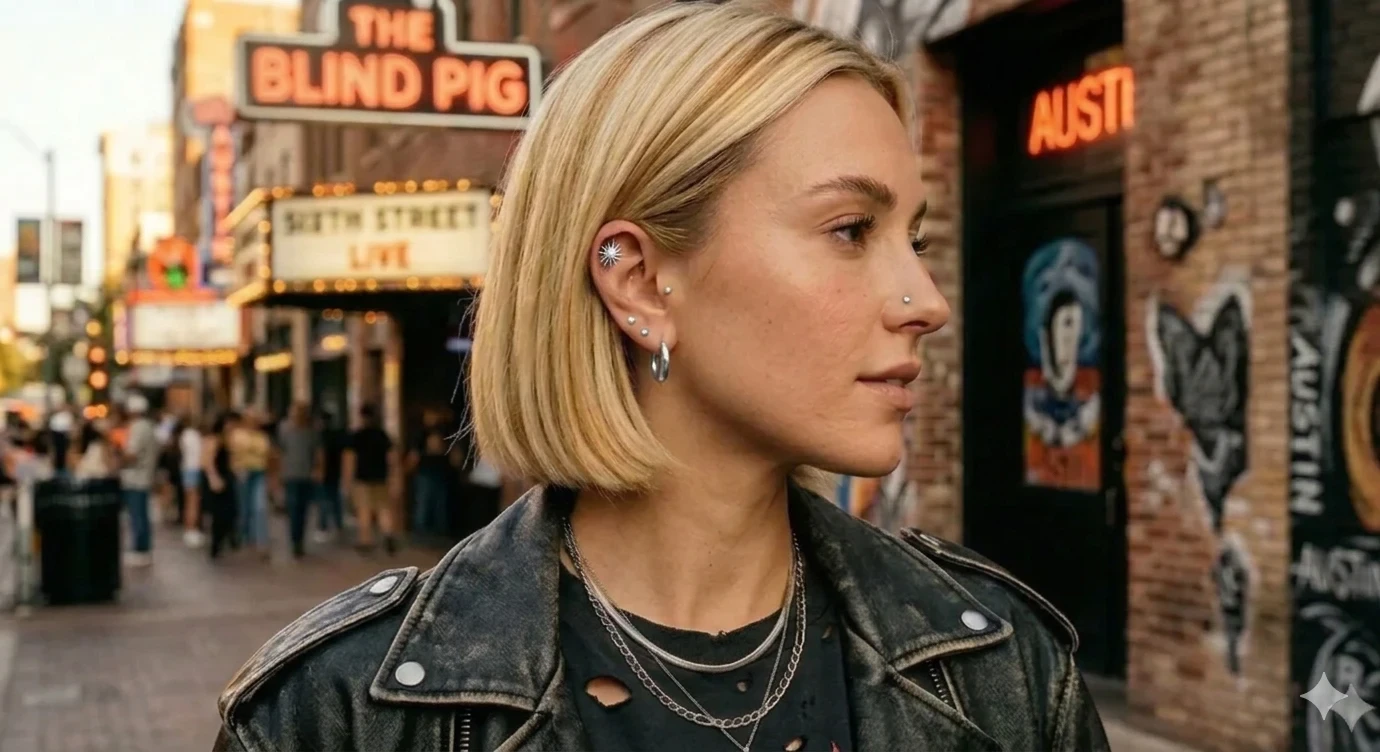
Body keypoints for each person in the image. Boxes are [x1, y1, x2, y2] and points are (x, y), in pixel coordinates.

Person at [214, 5, 1108, 751]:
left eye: (913, 240)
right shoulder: (340, 714)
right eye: (850, 231)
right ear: (639, 281)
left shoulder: (1000, 666)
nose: (926, 302)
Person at [340, 404, 397, 554]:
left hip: (362, 479)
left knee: (363, 510)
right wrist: (393, 476)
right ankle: (388, 535)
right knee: (383, 508)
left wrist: (347, 481)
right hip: (381, 477)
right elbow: (391, 457)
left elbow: (350, 459)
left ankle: (365, 541)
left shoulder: (356, 436)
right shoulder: (382, 435)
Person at [120, 395, 160, 567]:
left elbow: (132, 453)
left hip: (135, 478)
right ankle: (143, 548)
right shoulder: (149, 426)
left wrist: (118, 459)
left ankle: (140, 549)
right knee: (141, 514)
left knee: (137, 515)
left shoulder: (138, 428)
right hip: (144, 477)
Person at [277, 403, 321, 558]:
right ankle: (295, 541)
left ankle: (299, 539)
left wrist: (317, 469)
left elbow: (318, 451)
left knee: (303, 508)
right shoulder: (284, 429)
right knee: (294, 507)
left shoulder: (311, 430)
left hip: (306, 475)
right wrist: (278, 472)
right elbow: (279, 451)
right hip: (290, 475)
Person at [229, 408, 273, 559]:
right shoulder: (237, 435)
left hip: (259, 473)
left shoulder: (262, 436)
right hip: (243, 473)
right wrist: (236, 469)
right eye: (251, 418)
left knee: (260, 507)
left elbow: (268, 455)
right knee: (244, 508)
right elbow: (232, 454)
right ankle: (244, 537)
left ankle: (262, 543)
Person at [406, 408, 451, 537]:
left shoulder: (444, 432)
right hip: (426, 473)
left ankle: (435, 532)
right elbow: (414, 455)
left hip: (438, 472)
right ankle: (424, 532)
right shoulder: (421, 434)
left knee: (437, 504)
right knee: (426, 503)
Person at [202, 414, 237, 559]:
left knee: (230, 511)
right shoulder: (214, 440)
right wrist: (213, 478)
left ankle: (225, 540)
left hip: (227, 478)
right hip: (218, 478)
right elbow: (208, 461)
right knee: (219, 514)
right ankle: (216, 545)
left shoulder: (227, 440)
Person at [314, 409, 346, 542]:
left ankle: (323, 526)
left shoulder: (320, 436)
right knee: (336, 499)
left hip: (324, 473)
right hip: (335, 472)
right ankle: (338, 525)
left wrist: (318, 471)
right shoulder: (337, 436)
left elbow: (319, 456)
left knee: (323, 501)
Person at [179, 417, 206, 547]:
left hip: (188, 469)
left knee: (191, 502)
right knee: (193, 502)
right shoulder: (192, 435)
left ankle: (190, 529)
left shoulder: (186, 435)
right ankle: (191, 530)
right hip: (193, 469)